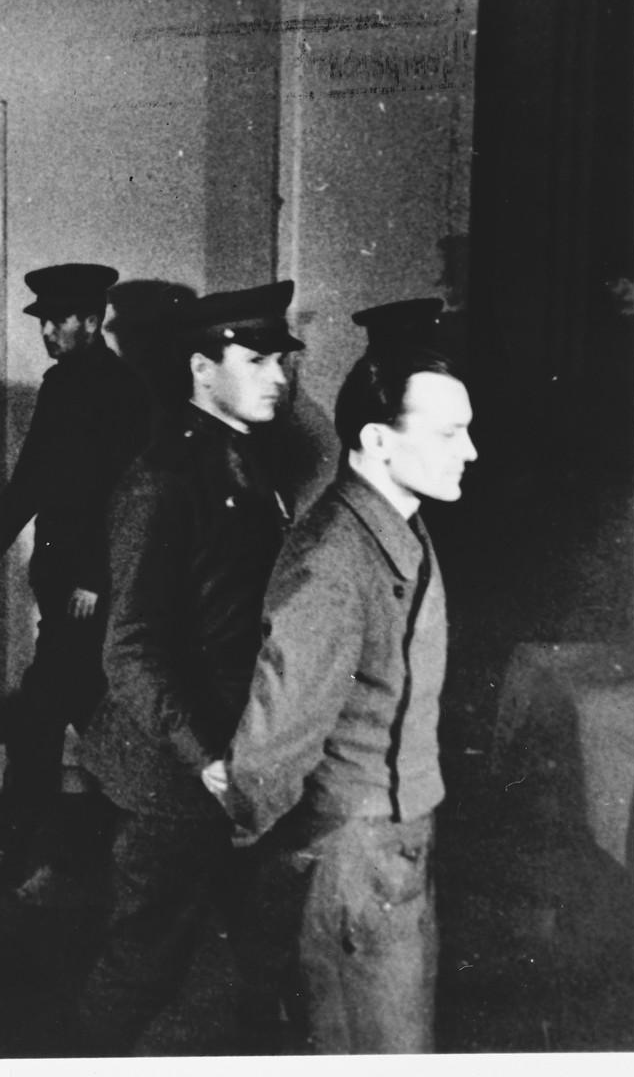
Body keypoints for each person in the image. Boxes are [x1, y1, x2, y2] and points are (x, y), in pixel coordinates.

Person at [204, 348, 476, 1053]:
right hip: (352, 851)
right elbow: (279, 729)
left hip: (393, 836)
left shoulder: (400, 525)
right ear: (378, 441)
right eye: (449, 433)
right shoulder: (334, 555)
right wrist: (248, 811)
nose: (470, 451)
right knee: (370, 1047)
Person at [75, 280, 305, 1055]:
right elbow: (131, 646)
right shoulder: (165, 477)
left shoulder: (246, 456)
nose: (278, 374)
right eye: (257, 358)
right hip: (177, 771)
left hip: (241, 752)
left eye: (282, 357)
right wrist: (205, 758)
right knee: (145, 959)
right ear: (203, 368)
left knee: (268, 950)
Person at [0, 263, 152, 893]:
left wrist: (97, 577)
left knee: (47, 711)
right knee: (85, 706)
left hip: (92, 589)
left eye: (56, 320)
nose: (45, 330)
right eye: (42, 321)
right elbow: (34, 475)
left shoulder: (123, 391)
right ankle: (96, 852)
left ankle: (21, 849)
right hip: (59, 581)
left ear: (92, 321)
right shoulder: (58, 386)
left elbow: (128, 496)